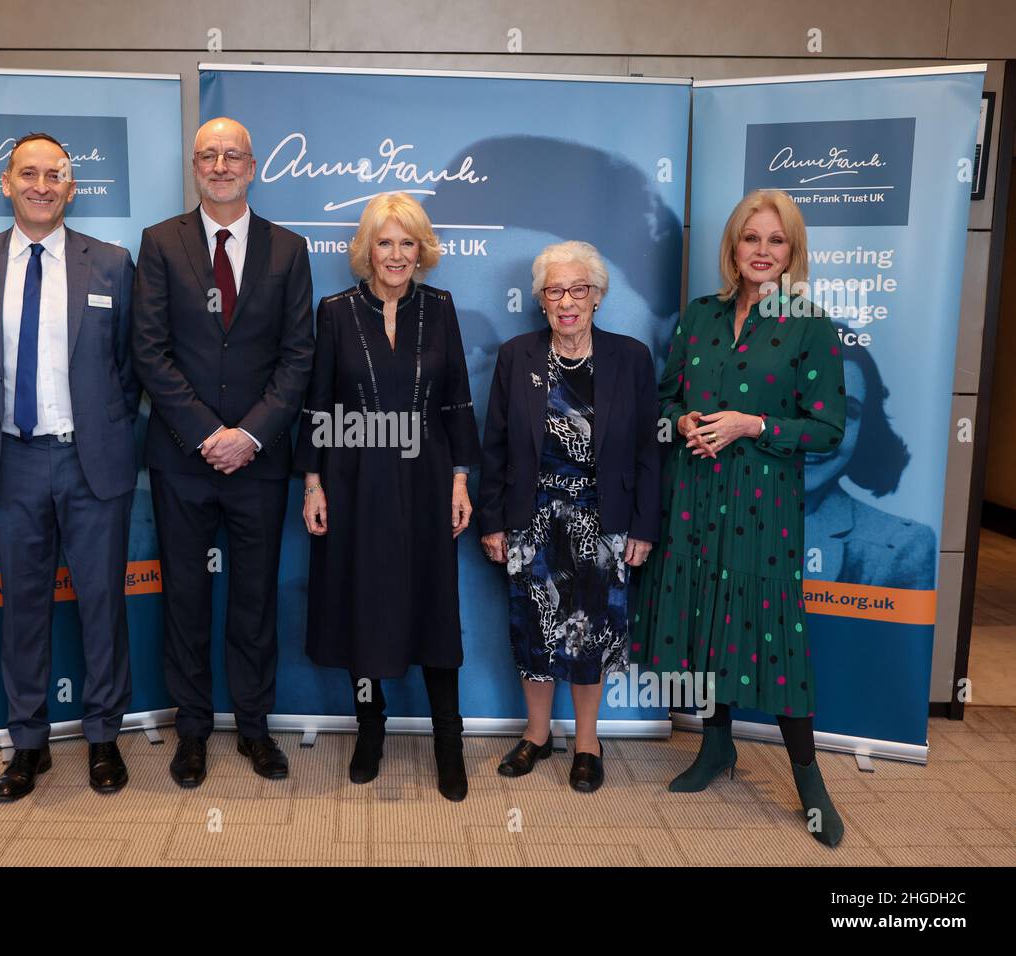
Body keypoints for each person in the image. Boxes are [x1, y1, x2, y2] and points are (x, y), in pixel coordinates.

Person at [631, 189, 848, 846]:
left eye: (775, 241)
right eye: (751, 238)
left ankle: (809, 780)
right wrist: (686, 423)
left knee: (772, 638)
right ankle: (716, 746)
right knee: (703, 620)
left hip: (763, 506)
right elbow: (662, 405)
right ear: (733, 247)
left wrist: (752, 424)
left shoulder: (811, 325)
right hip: (694, 494)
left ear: (791, 252)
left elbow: (828, 430)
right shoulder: (699, 317)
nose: (761, 251)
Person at [0, 132, 140, 802]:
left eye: (53, 174)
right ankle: (27, 744)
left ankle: (103, 739)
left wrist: (94, 424)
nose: (40, 185)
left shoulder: (112, 264)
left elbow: (127, 369)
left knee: (101, 607)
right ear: (6, 183)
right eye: (26, 173)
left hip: (93, 464)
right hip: (16, 461)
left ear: (71, 186)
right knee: (23, 609)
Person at [133, 117, 314, 788]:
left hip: (260, 462)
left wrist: (251, 434)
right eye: (207, 155)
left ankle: (256, 727)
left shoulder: (288, 250)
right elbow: (148, 350)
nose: (219, 165)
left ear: (253, 165)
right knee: (183, 597)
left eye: (231, 155)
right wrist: (208, 433)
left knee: (254, 598)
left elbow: (298, 358)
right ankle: (191, 730)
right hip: (182, 458)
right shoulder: (160, 243)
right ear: (194, 166)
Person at [295, 193, 480, 801]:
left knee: (434, 604)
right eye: (385, 242)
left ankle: (447, 742)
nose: (396, 255)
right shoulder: (336, 310)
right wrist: (314, 484)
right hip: (355, 476)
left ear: (421, 250)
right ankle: (369, 732)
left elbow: (456, 401)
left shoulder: (441, 308)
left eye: (407, 243)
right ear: (367, 250)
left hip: (426, 476)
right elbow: (318, 406)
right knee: (363, 604)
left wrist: (459, 480)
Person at [477, 241, 659, 793]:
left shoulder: (630, 358)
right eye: (555, 291)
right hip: (532, 521)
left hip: (603, 524)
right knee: (535, 629)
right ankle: (536, 736)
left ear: (598, 297)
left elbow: (651, 451)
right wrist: (491, 520)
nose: (567, 301)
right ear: (542, 300)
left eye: (579, 289)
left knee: (591, 634)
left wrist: (645, 526)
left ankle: (586, 741)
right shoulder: (517, 356)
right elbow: (496, 446)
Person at [804, 336, 935, 589]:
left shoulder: (900, 545)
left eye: (847, 413)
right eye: (800, 406)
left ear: (864, 430)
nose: (820, 434)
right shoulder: (713, 513)